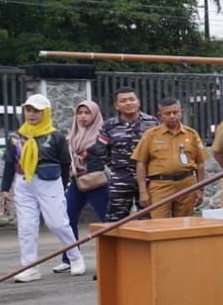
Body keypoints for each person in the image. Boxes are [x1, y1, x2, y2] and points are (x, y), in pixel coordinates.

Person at [0, 94, 77, 282]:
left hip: (49, 182)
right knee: (26, 227)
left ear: (46, 113)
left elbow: (66, 163)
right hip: (23, 182)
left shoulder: (56, 135)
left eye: (37, 111)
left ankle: (75, 257)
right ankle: (30, 267)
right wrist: (5, 189)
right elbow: (9, 163)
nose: (32, 114)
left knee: (57, 223)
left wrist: (64, 185)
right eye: (29, 110)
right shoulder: (15, 137)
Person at [132, 98, 207, 218]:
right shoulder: (150, 135)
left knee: (184, 224)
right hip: (160, 185)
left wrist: (200, 189)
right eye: (167, 113)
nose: (172, 116)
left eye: (175, 112)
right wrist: (143, 191)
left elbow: (200, 163)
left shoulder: (191, 134)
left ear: (181, 112)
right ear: (160, 115)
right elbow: (141, 163)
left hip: (187, 184)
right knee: (160, 224)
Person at [63, 101, 110, 263]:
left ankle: (113, 257)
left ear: (95, 114)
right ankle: (70, 259)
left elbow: (102, 152)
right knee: (67, 219)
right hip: (76, 180)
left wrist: (88, 153)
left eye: (87, 113)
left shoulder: (102, 133)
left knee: (108, 219)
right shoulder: (72, 134)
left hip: (95, 181)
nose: (83, 116)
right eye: (80, 112)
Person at [101, 88, 157, 221]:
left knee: (148, 218)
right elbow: (102, 151)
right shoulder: (108, 126)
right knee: (115, 220)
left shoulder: (153, 123)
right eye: (123, 101)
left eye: (132, 99)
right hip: (121, 179)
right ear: (116, 105)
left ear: (139, 102)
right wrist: (116, 167)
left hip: (148, 178)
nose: (128, 103)